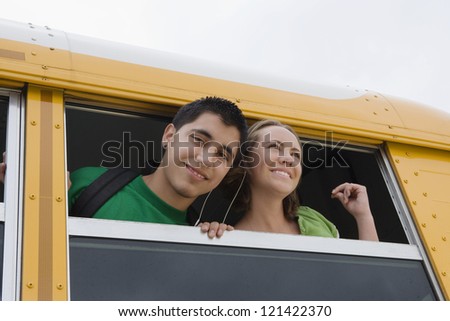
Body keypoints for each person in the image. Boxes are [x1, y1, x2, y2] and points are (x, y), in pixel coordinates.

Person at [1, 97, 248, 236]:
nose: (206, 159)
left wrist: (221, 244)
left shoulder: (201, 235)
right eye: (198, 140)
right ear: (169, 136)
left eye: (222, 155)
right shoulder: (90, 184)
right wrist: (22, 190)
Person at [201, 119, 379, 241]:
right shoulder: (228, 238)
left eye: (295, 154)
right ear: (246, 160)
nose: (288, 159)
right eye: (274, 147)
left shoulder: (314, 220)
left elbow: (371, 280)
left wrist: (363, 216)